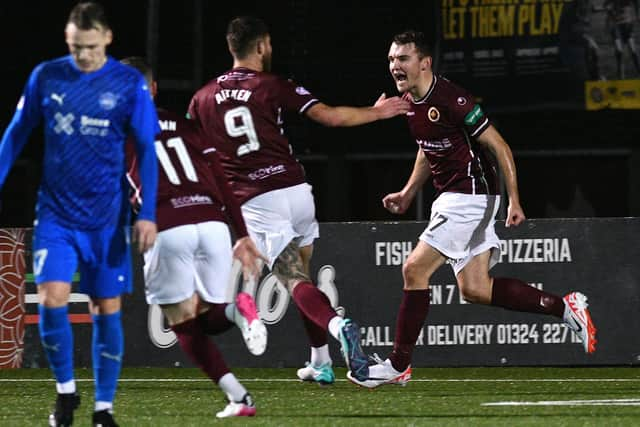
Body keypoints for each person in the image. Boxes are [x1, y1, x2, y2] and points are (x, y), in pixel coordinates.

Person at [347, 30, 598, 388]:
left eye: (402, 58)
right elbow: (427, 147)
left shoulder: (453, 98)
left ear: (424, 62)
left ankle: (398, 363)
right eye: (391, 59)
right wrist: (407, 192)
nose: (395, 65)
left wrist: (514, 199)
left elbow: (500, 146)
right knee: (475, 288)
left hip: (471, 197)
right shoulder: (409, 100)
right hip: (453, 197)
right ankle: (564, 307)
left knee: (414, 269)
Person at [187, 16, 410, 384]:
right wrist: (377, 112)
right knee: (304, 276)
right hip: (297, 192)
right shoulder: (273, 85)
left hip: (257, 200)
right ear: (261, 46)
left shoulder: (201, 98)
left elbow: (196, 158)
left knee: (293, 280)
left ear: (231, 48)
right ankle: (320, 361)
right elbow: (330, 118)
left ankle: (339, 328)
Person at [0, 3, 158, 426]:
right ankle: (66, 393)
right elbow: (16, 135)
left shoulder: (127, 84)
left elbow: (146, 148)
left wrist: (149, 213)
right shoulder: (47, 76)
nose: (83, 56)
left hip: (107, 219)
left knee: (105, 307)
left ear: (107, 38)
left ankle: (103, 408)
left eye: (90, 47)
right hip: (56, 215)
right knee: (52, 299)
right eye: (75, 47)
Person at [121, 57, 266, 418]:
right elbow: (223, 183)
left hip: (168, 226)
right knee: (208, 316)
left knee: (181, 321)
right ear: (153, 89)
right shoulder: (189, 126)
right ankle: (240, 308)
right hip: (213, 224)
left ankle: (238, 397)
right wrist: (242, 234)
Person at [604, 0, 640, 79]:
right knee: (619, 51)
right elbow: (606, 6)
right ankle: (620, 75)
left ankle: (638, 71)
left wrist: (638, 15)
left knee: (633, 51)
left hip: (627, 25)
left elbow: (636, 2)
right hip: (616, 27)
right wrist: (609, 11)